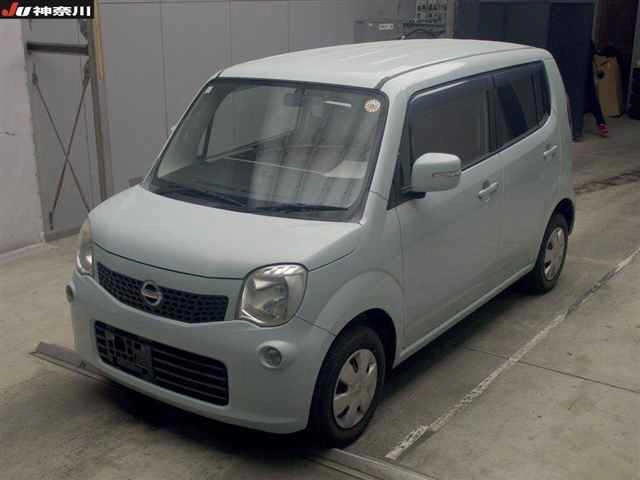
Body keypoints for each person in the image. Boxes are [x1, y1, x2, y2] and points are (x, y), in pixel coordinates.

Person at [585, 41, 609, 137]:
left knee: (592, 99)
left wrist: (598, 67)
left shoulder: (587, 42)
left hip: (584, 76)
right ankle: (601, 123)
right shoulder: (587, 42)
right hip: (584, 76)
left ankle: (601, 123)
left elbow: (595, 56)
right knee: (592, 100)